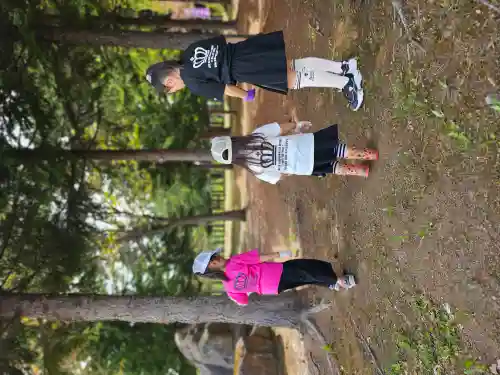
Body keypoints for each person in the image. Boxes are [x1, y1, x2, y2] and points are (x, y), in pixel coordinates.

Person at [145, 31, 364, 111]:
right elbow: (226, 40)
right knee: (294, 65)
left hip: (243, 68)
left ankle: (347, 83)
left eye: (168, 90)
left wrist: (246, 95)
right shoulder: (191, 50)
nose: (172, 91)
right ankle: (343, 67)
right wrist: (251, 43)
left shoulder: (192, 82)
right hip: (244, 50)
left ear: (169, 82)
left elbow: (225, 89)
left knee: (293, 78)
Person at [209, 120, 378, 184]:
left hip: (303, 166)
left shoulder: (255, 170)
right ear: (231, 139)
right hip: (305, 144)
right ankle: (368, 154)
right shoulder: (256, 136)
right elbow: (280, 128)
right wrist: (296, 126)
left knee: (331, 167)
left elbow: (279, 176)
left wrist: (289, 169)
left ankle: (361, 171)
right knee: (336, 149)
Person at [192, 248, 356, 306]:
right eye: (213, 261)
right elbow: (257, 258)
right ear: (211, 269)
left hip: (274, 288)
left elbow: (243, 301)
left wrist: (247, 289)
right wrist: (278, 254)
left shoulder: (228, 288)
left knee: (304, 277)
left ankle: (331, 284)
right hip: (277, 273)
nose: (217, 258)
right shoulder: (233, 261)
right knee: (307, 268)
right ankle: (339, 281)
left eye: (214, 256)